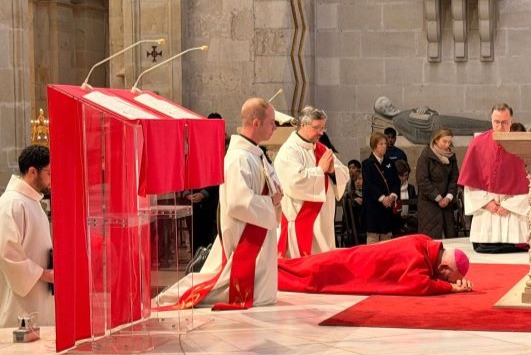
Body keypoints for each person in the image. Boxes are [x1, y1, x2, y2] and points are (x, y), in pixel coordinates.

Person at [156, 98, 282, 310]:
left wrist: (275, 197)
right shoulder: (238, 158)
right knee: (219, 285)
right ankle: (172, 297)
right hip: (244, 235)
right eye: (272, 122)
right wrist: (271, 202)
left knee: (255, 290)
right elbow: (238, 203)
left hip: (258, 230)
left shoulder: (255, 154)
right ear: (256, 123)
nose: (275, 127)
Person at [0, 145, 55, 329]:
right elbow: (7, 254)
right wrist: (44, 274)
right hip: (20, 299)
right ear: (33, 171)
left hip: (36, 293)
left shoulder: (31, 201)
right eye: (48, 172)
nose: (51, 179)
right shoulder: (13, 203)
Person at [279, 234, 473, 295]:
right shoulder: (418, 259)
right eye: (446, 276)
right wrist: (450, 288)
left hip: (356, 258)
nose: (442, 279)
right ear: (443, 268)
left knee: (306, 266)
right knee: (309, 276)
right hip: (351, 269)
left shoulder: (425, 242)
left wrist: (451, 283)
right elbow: (418, 284)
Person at [275, 106, 350, 258]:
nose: (321, 132)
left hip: (323, 220)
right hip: (301, 219)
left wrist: (332, 171)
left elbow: (344, 172)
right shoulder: (289, 151)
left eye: (323, 127)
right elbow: (293, 182)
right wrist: (320, 170)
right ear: (303, 125)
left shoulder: (321, 149)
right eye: (317, 128)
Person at [458, 103, 530, 254]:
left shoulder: (522, 144)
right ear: (491, 120)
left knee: (517, 244)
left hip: (513, 213)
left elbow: (529, 183)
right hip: (487, 210)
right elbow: (471, 182)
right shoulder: (478, 143)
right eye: (496, 122)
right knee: (484, 246)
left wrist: (509, 206)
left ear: (511, 121)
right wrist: (487, 203)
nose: (500, 126)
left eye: (504, 122)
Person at [373, 96, 491, 144]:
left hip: (436, 120)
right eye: (385, 108)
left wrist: (426, 109)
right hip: (435, 128)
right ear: (383, 113)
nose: (390, 107)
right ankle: (493, 128)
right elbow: (414, 137)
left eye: (389, 104)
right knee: (467, 127)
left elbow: (430, 113)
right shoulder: (398, 121)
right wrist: (431, 138)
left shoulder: (403, 113)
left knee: (466, 123)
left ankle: (493, 126)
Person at [185, 112, 223, 251]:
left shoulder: (222, 146)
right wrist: (187, 193)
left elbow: (218, 174)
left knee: (211, 238)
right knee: (196, 235)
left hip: (213, 201)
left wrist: (205, 193)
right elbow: (188, 168)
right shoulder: (197, 143)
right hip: (194, 198)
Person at [416, 128, 459, 239]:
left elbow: (454, 178)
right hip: (429, 204)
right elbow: (422, 180)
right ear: (436, 140)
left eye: (449, 142)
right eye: (444, 141)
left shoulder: (451, 156)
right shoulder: (426, 155)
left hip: (446, 203)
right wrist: (438, 198)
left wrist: (449, 197)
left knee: (448, 235)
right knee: (431, 238)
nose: (447, 144)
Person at [361, 132, 400, 244]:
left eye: (385, 144)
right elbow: (369, 185)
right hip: (373, 208)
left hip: (387, 208)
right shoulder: (367, 164)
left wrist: (392, 196)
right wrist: (383, 198)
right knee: (373, 240)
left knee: (387, 240)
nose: (384, 146)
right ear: (374, 146)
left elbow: (395, 182)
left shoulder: (390, 163)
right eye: (381, 144)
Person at [393, 159, 417, 236]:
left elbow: (413, 208)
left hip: (408, 224)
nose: (403, 178)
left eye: (406, 175)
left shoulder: (410, 188)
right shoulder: (391, 189)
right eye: (400, 175)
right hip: (394, 225)